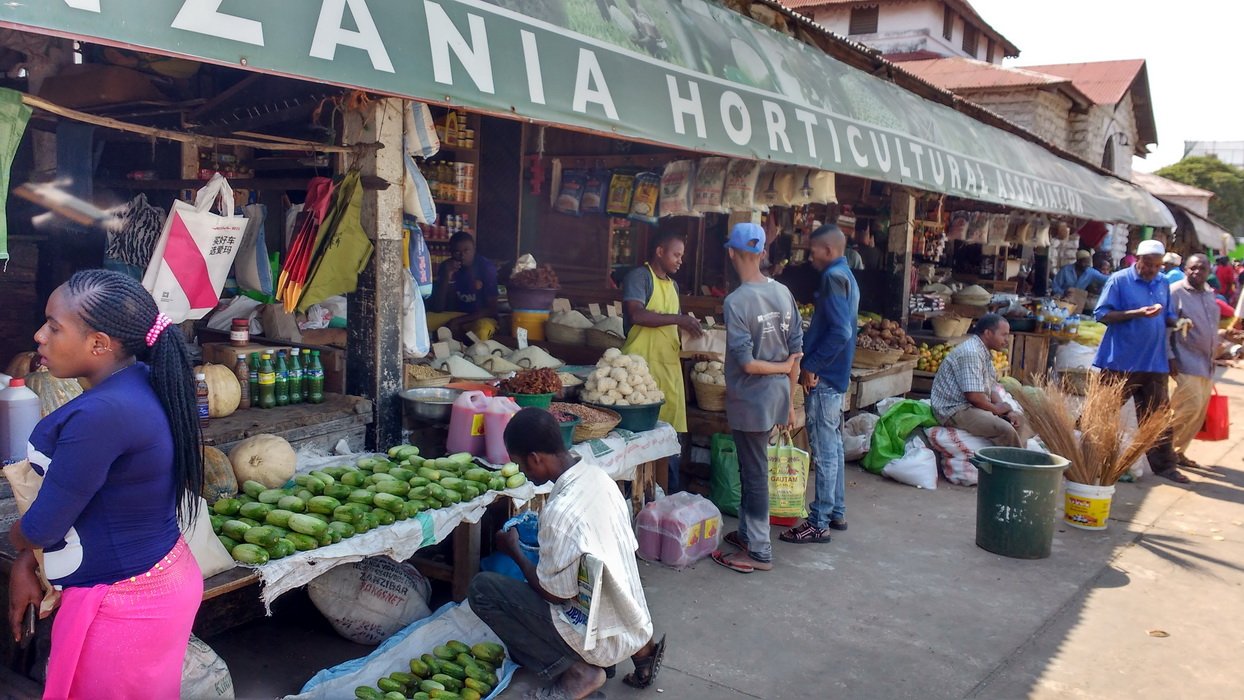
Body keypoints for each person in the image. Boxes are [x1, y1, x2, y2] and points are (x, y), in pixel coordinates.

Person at [6, 269, 204, 697]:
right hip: (161, 576)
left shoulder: (101, 415)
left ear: (98, 344)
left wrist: (19, 541)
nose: (39, 336)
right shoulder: (142, 380)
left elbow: (42, 527)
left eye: (54, 327)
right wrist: (29, 561)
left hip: (125, 603)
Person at [468, 408, 664, 699]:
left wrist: (515, 553)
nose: (522, 472)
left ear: (536, 458)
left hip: (595, 633)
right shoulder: (601, 479)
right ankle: (639, 652)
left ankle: (574, 671)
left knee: (482, 588)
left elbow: (555, 594)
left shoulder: (559, 513)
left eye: (522, 465)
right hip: (631, 622)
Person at [712, 223, 803, 573]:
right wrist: (791, 400)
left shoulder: (735, 302)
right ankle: (750, 533)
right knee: (753, 467)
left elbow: (747, 363)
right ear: (763, 253)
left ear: (731, 253)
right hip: (776, 397)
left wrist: (779, 368)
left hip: (751, 400)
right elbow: (797, 353)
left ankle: (760, 550)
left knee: (754, 473)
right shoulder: (783, 293)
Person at [779, 225, 858, 544]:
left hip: (825, 377)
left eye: (813, 251)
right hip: (835, 374)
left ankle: (819, 521)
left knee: (824, 449)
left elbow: (841, 331)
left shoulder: (832, 278)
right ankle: (836, 510)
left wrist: (812, 365)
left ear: (828, 250)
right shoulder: (846, 275)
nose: (810, 257)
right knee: (834, 445)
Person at [1093, 239, 1189, 483]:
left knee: (1158, 418)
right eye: (1148, 264)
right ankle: (1092, 460)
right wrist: (1137, 313)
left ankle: (1166, 466)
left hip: (1154, 362)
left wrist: (1177, 322)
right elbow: (1102, 314)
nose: (1153, 270)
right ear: (1137, 258)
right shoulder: (1119, 280)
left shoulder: (1161, 283)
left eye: (1158, 266)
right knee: (1103, 414)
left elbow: (1167, 314)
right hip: (1119, 362)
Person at [621, 231, 701, 491]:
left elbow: (672, 328)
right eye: (675, 255)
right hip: (638, 372)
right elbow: (637, 314)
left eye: (682, 256)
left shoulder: (674, 286)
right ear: (659, 251)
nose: (680, 261)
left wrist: (695, 346)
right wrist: (681, 319)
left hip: (667, 369)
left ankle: (668, 499)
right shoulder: (639, 277)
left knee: (669, 440)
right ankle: (638, 496)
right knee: (638, 439)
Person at [929, 314, 1032, 448]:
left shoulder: (983, 352)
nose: (1007, 340)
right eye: (1004, 335)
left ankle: (1018, 458)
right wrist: (997, 409)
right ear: (988, 333)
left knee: (1020, 421)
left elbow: (991, 387)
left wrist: (1007, 410)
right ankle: (1014, 466)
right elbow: (974, 397)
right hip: (955, 410)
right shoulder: (971, 353)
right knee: (1005, 429)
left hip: (972, 406)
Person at [1169, 254, 1219, 471]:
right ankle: (1162, 452)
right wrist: (1169, 357)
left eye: (1202, 269)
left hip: (1206, 363)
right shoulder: (1175, 292)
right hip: (1183, 361)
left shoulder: (1209, 294)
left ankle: (1178, 452)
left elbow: (1209, 327)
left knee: (1198, 413)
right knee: (1186, 408)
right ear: (1185, 269)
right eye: (1193, 268)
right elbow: (1165, 328)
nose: (1197, 272)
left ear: (1209, 271)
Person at [429, 232, 499, 340]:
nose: (462, 256)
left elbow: (492, 309)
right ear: (451, 253)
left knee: (482, 331)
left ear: (474, 249)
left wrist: (458, 321)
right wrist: (446, 276)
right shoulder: (447, 266)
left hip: (481, 317)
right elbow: (438, 308)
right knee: (425, 321)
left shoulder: (485, 267)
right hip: (455, 315)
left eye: (466, 251)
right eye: (457, 252)